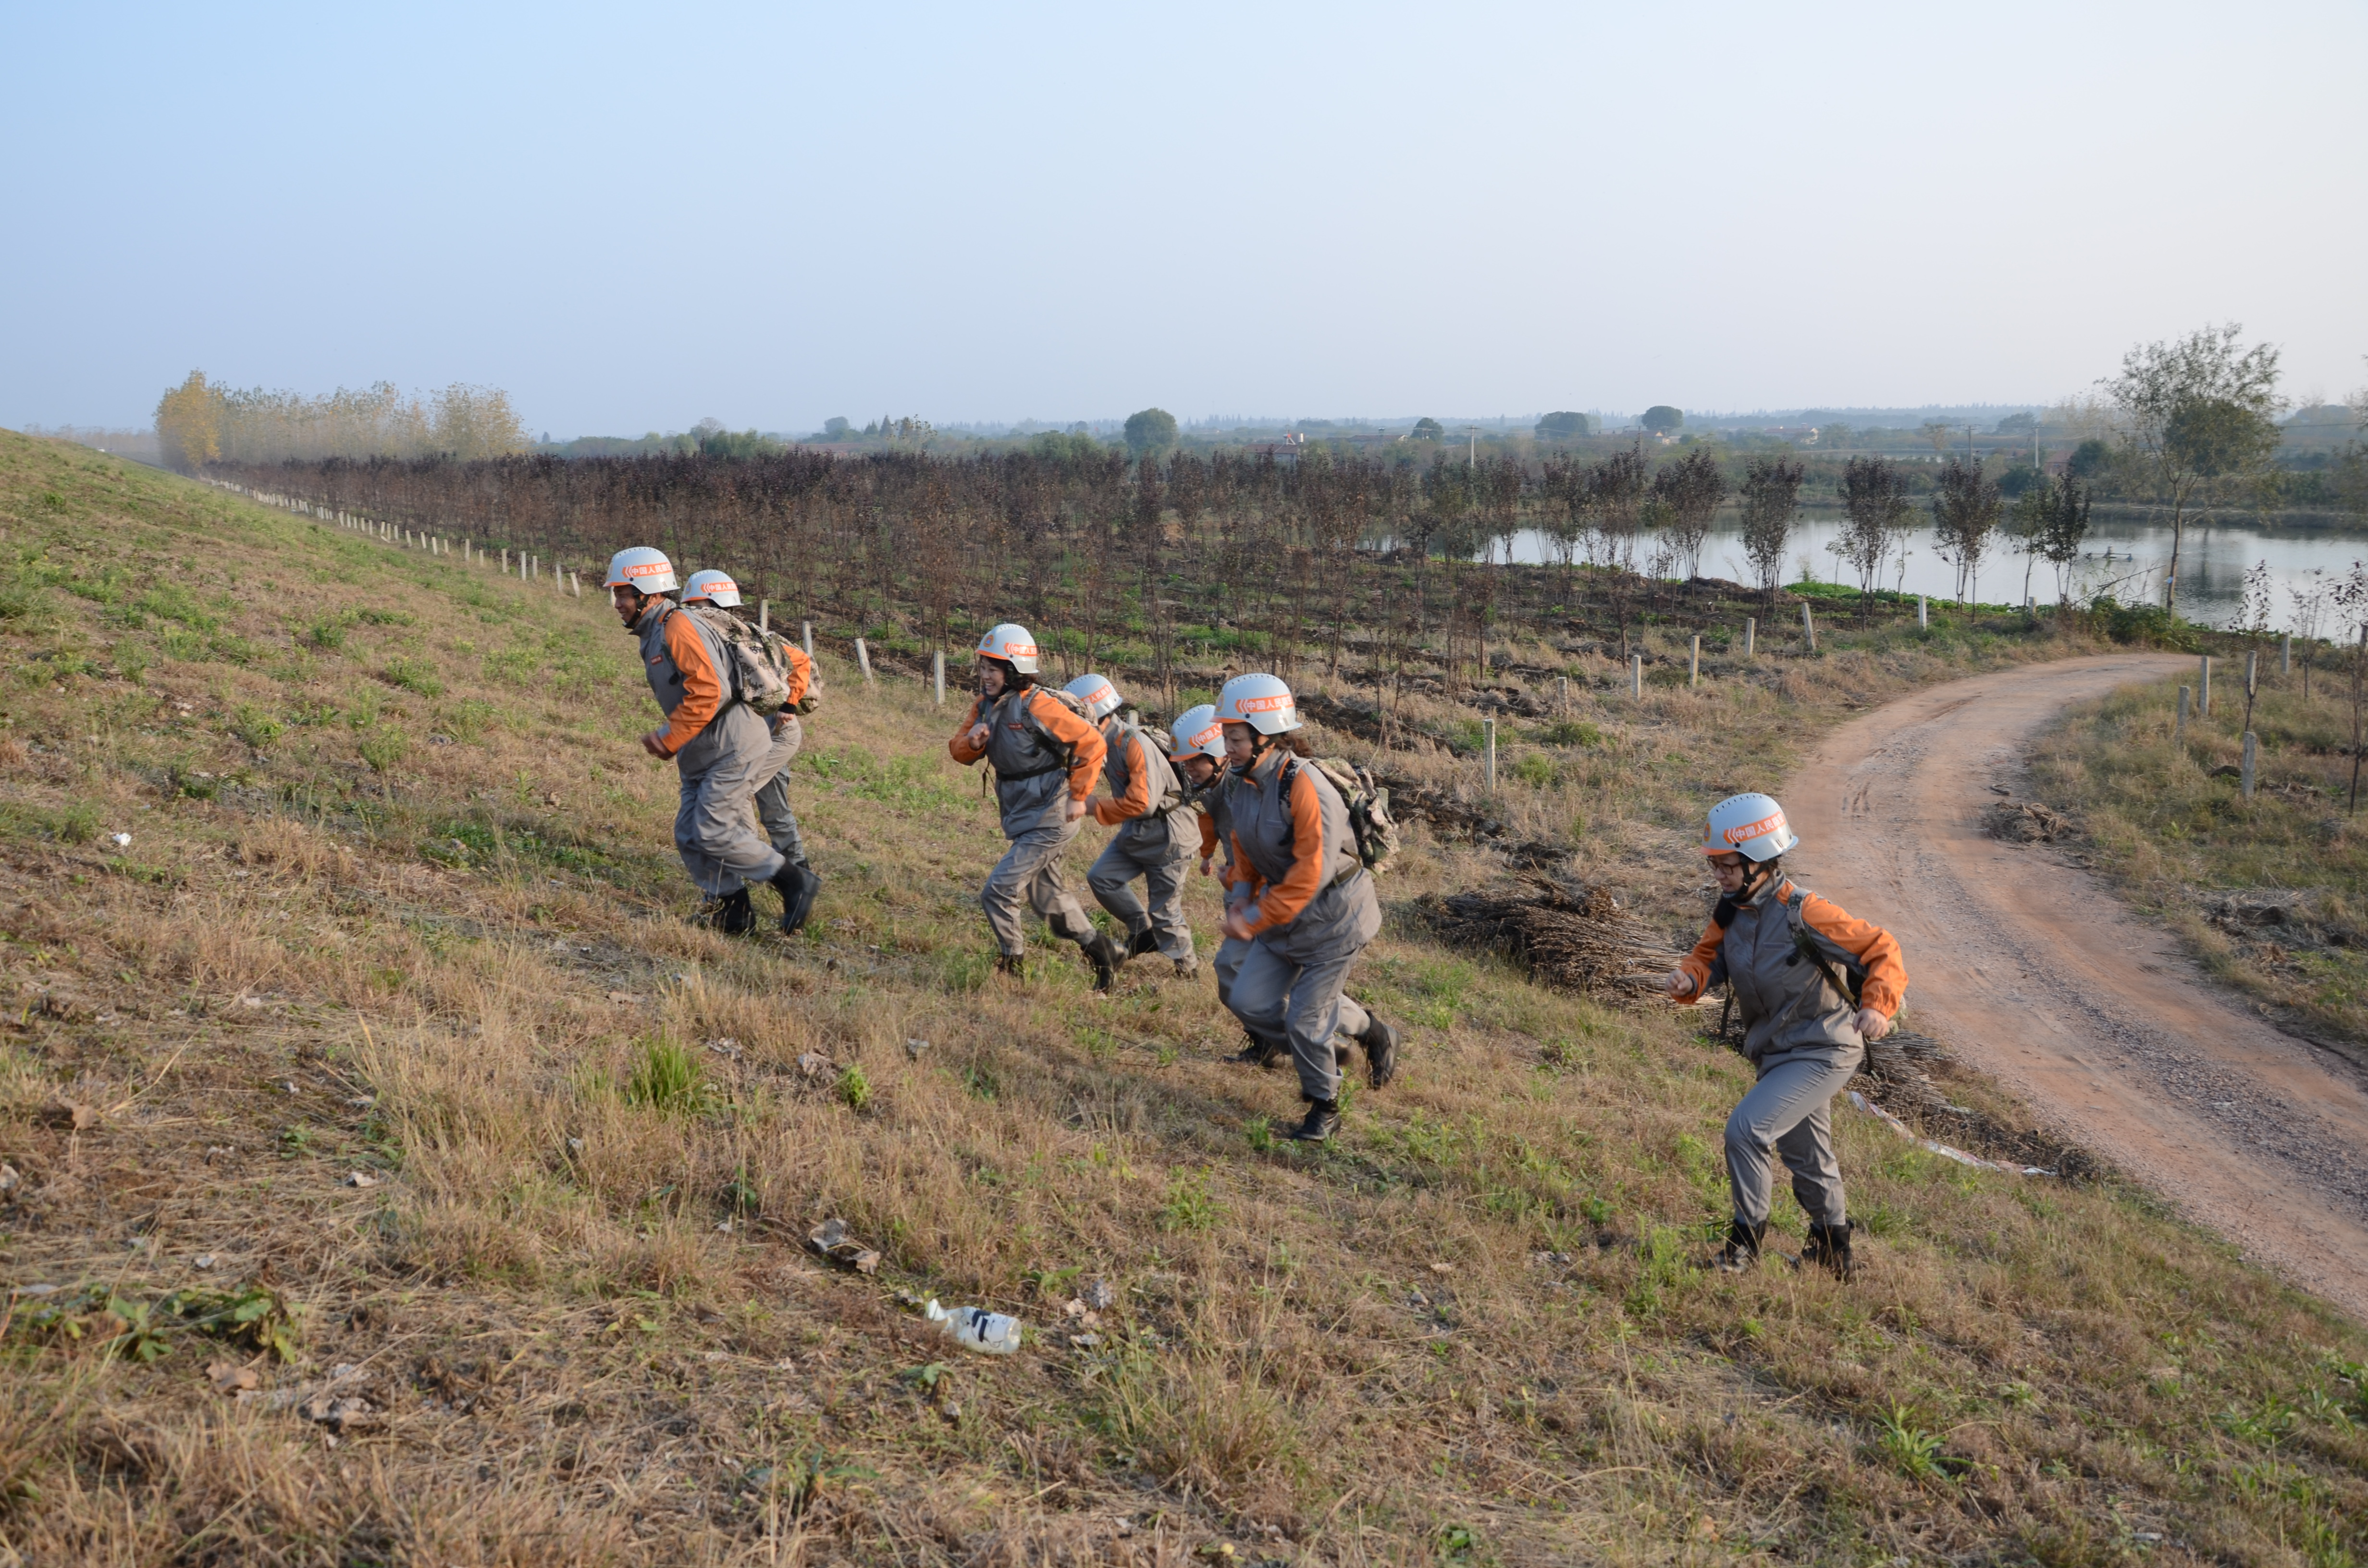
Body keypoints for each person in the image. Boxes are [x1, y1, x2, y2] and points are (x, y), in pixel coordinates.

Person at [1663, 792, 1907, 1279]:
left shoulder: (1805, 912)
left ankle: (1742, 1247)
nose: (1718, 874)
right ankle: (1833, 1254)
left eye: (1726, 865)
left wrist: (1878, 1007)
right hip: (1776, 1052)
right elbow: (1708, 957)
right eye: (1713, 865)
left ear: (1758, 861)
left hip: (1824, 1049)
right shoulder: (1730, 911)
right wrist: (1690, 979)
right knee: (1805, 1154)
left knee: (1745, 1130)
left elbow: (1881, 947)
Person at [1214, 673, 1400, 1141]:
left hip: (1334, 920)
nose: (1226, 747)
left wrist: (1253, 918)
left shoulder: (1304, 786)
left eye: (1234, 738)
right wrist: (1239, 897)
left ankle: (1324, 1106)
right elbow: (1242, 852)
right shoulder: (1244, 783)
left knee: (1305, 1017)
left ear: (1264, 735)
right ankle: (1362, 1034)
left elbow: (1309, 876)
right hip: (1284, 920)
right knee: (1249, 1000)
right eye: (1225, 737)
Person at [604, 548, 809, 936]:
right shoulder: (654, 632)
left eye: (622, 595)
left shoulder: (678, 626)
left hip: (733, 744)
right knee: (689, 833)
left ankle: (793, 881)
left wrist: (668, 738)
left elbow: (708, 692)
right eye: (617, 595)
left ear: (646, 592)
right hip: (700, 749)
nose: (617, 604)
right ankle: (733, 910)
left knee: (715, 830)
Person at [948, 624, 1128, 989]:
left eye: (992, 669)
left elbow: (1093, 744)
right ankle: (1105, 952)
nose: (984, 675)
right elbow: (958, 752)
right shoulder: (984, 706)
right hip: (1022, 814)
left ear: (1014, 671)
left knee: (998, 889)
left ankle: (1011, 965)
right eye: (982, 667)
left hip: (1053, 815)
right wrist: (972, 741)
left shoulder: (1039, 705)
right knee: (1048, 899)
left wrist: (1079, 796)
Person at [681, 569, 819, 932]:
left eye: (695, 606)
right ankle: (788, 882)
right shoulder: (709, 639)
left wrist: (788, 707)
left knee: (736, 802)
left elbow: (801, 661)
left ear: (713, 606)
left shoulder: (748, 638)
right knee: (772, 810)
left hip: (775, 733)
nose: (690, 614)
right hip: (753, 734)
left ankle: (778, 882)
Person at [1065, 674, 1197, 980]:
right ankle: (1142, 931)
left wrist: (1092, 806)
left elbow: (1143, 803)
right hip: (1137, 832)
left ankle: (1188, 970)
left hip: (1169, 836)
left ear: (1095, 716)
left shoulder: (1133, 743)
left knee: (1165, 913)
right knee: (1102, 878)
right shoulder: (1101, 743)